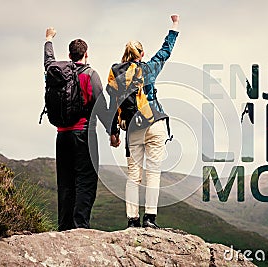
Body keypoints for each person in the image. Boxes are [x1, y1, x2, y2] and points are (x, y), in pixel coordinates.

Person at [107, 15, 180, 228]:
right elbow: (166, 51)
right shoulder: (148, 69)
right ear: (142, 54)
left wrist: (114, 133)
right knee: (153, 173)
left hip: (132, 128)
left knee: (133, 175)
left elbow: (113, 105)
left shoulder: (116, 75)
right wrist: (174, 26)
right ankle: (150, 219)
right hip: (155, 123)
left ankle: (132, 221)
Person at [44, 27, 110, 231]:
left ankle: (64, 227)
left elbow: (47, 60)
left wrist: (48, 39)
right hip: (84, 135)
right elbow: (100, 105)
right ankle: (80, 226)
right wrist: (112, 131)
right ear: (86, 54)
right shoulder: (90, 74)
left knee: (65, 183)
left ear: (69, 55)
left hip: (61, 136)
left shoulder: (56, 72)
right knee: (86, 181)